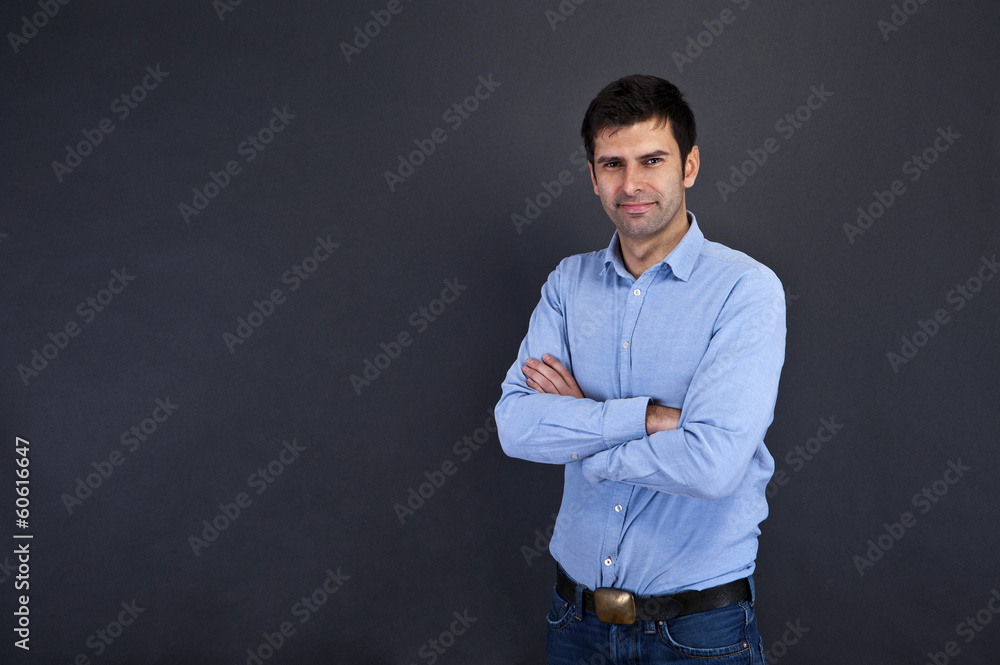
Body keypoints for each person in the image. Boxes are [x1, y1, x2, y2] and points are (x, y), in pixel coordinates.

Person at [495, 74, 786, 664]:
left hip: (698, 631)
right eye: (611, 164)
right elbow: (515, 426)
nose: (631, 185)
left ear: (689, 167)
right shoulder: (566, 285)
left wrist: (581, 429)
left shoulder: (745, 291)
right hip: (573, 622)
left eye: (652, 160)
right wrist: (650, 419)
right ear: (593, 176)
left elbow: (712, 464)